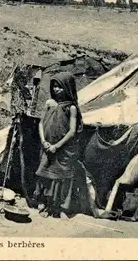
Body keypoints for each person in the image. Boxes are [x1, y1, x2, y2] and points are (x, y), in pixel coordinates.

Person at [34, 72, 84, 218]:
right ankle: (45, 204)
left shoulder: (71, 108)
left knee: (62, 178)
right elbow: (41, 124)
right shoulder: (49, 104)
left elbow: (72, 131)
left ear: (68, 88)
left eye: (60, 87)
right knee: (45, 175)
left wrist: (57, 146)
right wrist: (44, 141)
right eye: (54, 86)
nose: (56, 89)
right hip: (47, 147)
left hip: (64, 150)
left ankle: (61, 208)